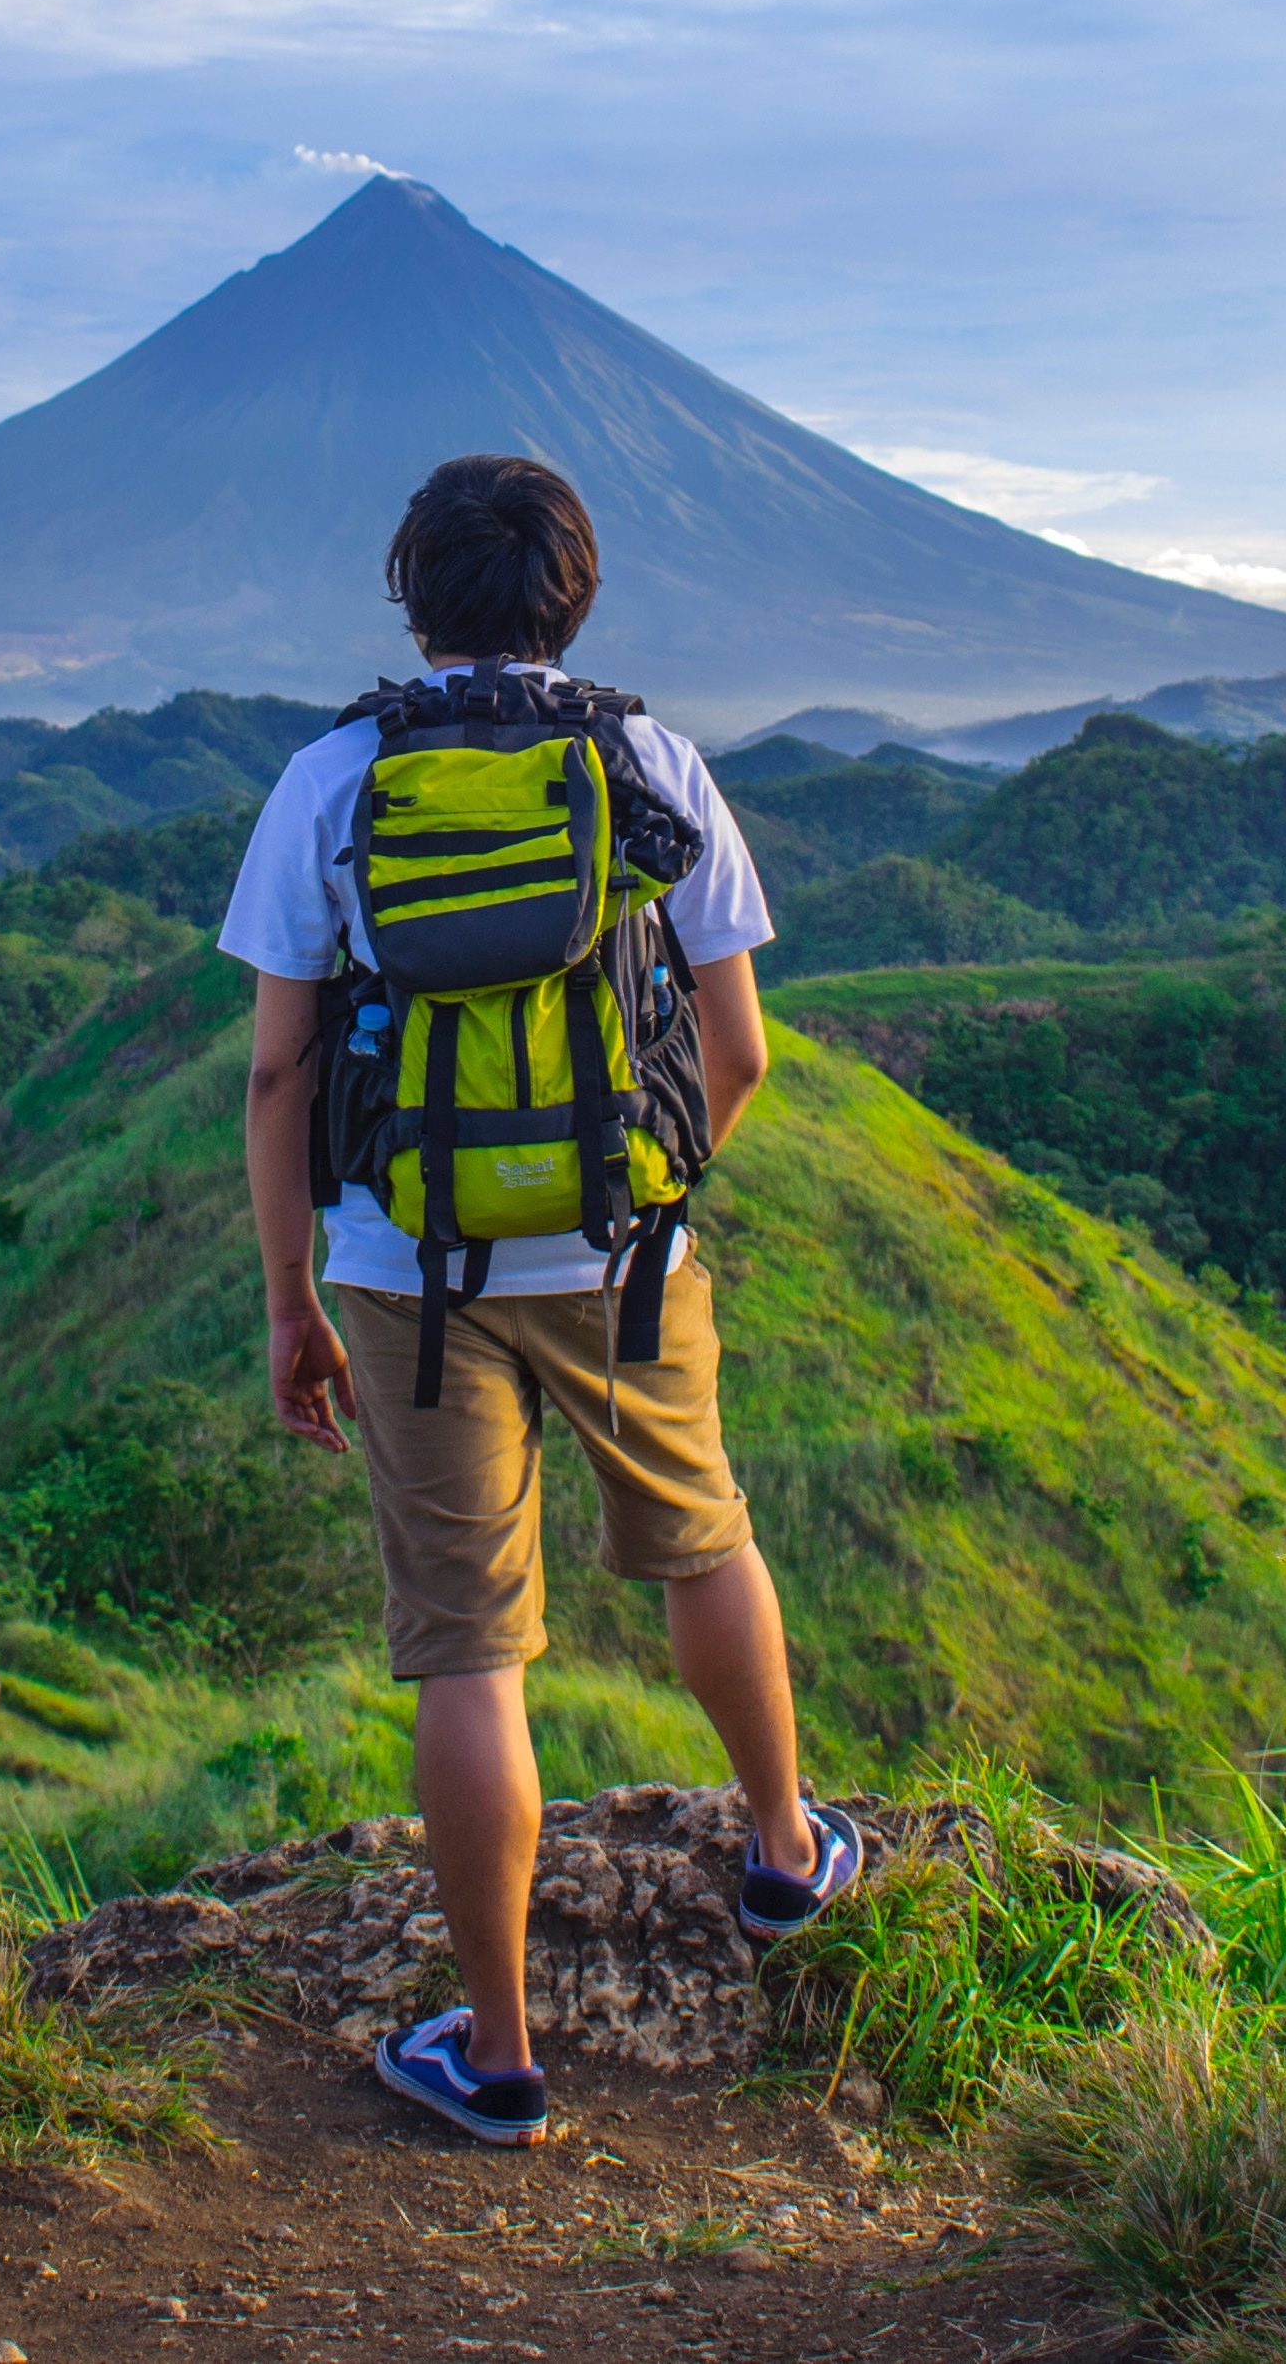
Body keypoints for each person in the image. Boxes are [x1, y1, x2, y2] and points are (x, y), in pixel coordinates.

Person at [220, 451, 858, 2149]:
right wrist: (644, 1195)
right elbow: (737, 1047)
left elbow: (279, 1074)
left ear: (410, 596)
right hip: (622, 1257)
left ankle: (499, 2059)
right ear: (574, 592)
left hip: (402, 1270)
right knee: (702, 1539)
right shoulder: (649, 760)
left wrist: (290, 1297)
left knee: (468, 1648)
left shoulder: (334, 777)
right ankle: (783, 1855)